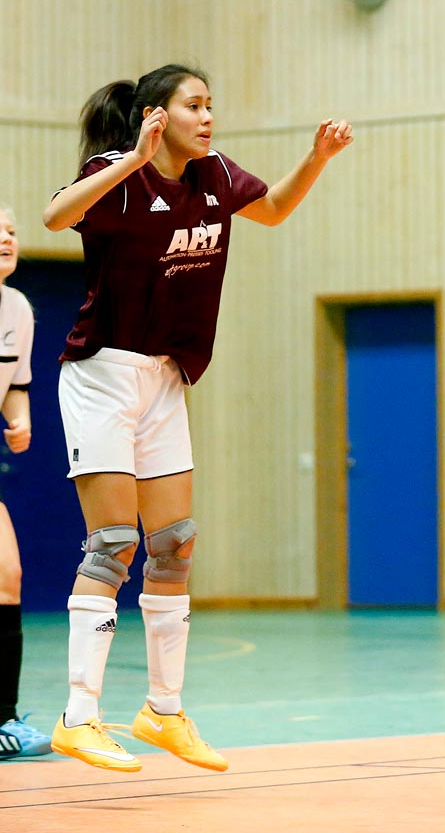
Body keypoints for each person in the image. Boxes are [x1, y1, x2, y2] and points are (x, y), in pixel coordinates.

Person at [41, 64, 353, 773]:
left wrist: (317, 159)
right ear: (157, 114)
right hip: (103, 375)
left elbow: (271, 209)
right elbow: (56, 215)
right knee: (113, 543)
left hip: (167, 377)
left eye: (212, 104)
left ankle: (164, 711)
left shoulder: (213, 174)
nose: (208, 116)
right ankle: (79, 716)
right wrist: (133, 161)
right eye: (194, 104)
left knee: (175, 543)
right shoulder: (119, 171)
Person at [0, 205, 52, 760]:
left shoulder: (18, 308)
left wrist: (22, 417)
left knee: (7, 575)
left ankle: (3, 720)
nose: (6, 238)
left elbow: (16, 381)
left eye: (11, 231)